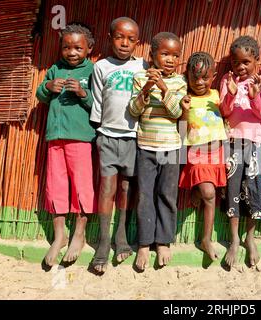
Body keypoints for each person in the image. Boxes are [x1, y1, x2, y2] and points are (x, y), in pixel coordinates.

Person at [89, 17, 148, 273]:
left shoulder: (144, 66)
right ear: (110, 37)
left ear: (138, 41)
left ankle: (121, 236)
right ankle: (103, 242)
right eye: (119, 37)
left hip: (134, 136)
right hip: (108, 135)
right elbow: (98, 104)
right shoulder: (101, 66)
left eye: (131, 39)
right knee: (107, 188)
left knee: (126, 187)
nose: (125, 43)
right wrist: (99, 135)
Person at [36, 24, 96, 266]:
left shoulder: (93, 70)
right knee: (56, 183)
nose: (72, 52)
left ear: (89, 49)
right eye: (67, 47)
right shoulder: (54, 69)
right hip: (55, 137)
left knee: (81, 185)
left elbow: (98, 105)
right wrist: (47, 87)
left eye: (78, 48)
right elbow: (41, 95)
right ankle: (59, 236)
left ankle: (79, 235)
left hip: (80, 138)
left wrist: (83, 93)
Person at [129, 32, 187, 271]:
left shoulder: (180, 82)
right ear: (152, 55)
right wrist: (146, 90)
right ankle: (144, 243)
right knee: (144, 195)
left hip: (171, 147)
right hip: (146, 146)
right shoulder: (140, 77)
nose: (170, 59)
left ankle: (163, 242)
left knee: (166, 195)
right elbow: (134, 110)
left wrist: (163, 88)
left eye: (175, 55)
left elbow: (176, 113)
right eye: (165, 54)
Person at [219, 35, 261, 268]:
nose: (240, 67)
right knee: (233, 189)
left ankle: (249, 238)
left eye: (246, 62)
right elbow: (224, 110)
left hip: (254, 143)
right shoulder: (227, 80)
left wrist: (254, 98)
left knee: (254, 189)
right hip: (233, 142)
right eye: (236, 63)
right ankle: (234, 240)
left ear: (256, 61)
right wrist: (232, 93)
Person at [178, 52, 228, 261]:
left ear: (214, 76)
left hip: (217, 153)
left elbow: (227, 115)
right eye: (195, 76)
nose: (199, 82)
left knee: (215, 192)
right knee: (209, 193)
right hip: (196, 154)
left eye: (205, 77)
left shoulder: (216, 96)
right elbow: (181, 132)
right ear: (186, 75)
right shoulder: (186, 99)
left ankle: (195, 193)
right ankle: (206, 239)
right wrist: (183, 111)